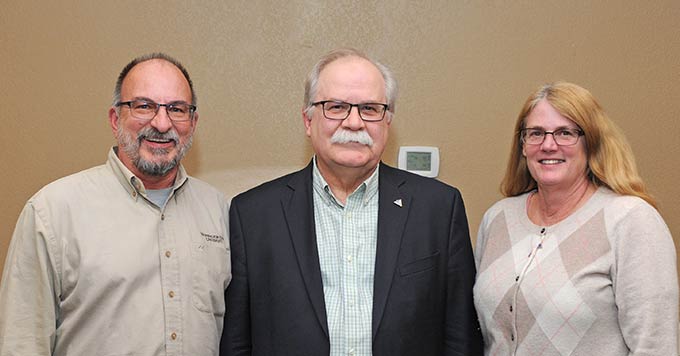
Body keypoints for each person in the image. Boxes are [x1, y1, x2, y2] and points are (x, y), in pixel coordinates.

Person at [220, 48, 483, 356]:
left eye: (370, 109)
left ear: (387, 122)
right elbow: (238, 343)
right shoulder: (253, 215)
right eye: (336, 107)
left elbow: (460, 338)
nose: (354, 122)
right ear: (307, 120)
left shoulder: (439, 209)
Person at [0, 53, 231, 355]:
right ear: (115, 118)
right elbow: (21, 343)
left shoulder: (221, 212)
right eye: (144, 106)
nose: (162, 124)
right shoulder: (53, 212)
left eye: (176, 109)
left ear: (193, 121)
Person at [473, 81, 678, 355]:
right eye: (535, 133)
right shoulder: (498, 218)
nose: (548, 144)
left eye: (565, 133)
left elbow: (655, 346)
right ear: (522, 145)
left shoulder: (630, 220)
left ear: (590, 143)